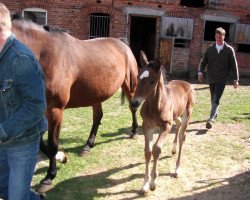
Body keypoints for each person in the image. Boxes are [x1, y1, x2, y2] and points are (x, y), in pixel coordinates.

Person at [0, 3, 47, 200]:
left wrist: (3, 131)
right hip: (3, 142)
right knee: (5, 190)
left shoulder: (21, 59)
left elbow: (36, 106)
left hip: (22, 143)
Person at [198, 27, 239, 129]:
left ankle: (211, 119)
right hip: (211, 77)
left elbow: (234, 65)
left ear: (224, 37)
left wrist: (236, 79)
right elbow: (203, 62)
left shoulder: (229, 50)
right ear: (215, 37)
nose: (218, 38)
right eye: (217, 36)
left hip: (222, 79)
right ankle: (215, 114)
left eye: (220, 36)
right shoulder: (210, 49)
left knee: (216, 97)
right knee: (213, 97)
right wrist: (200, 72)